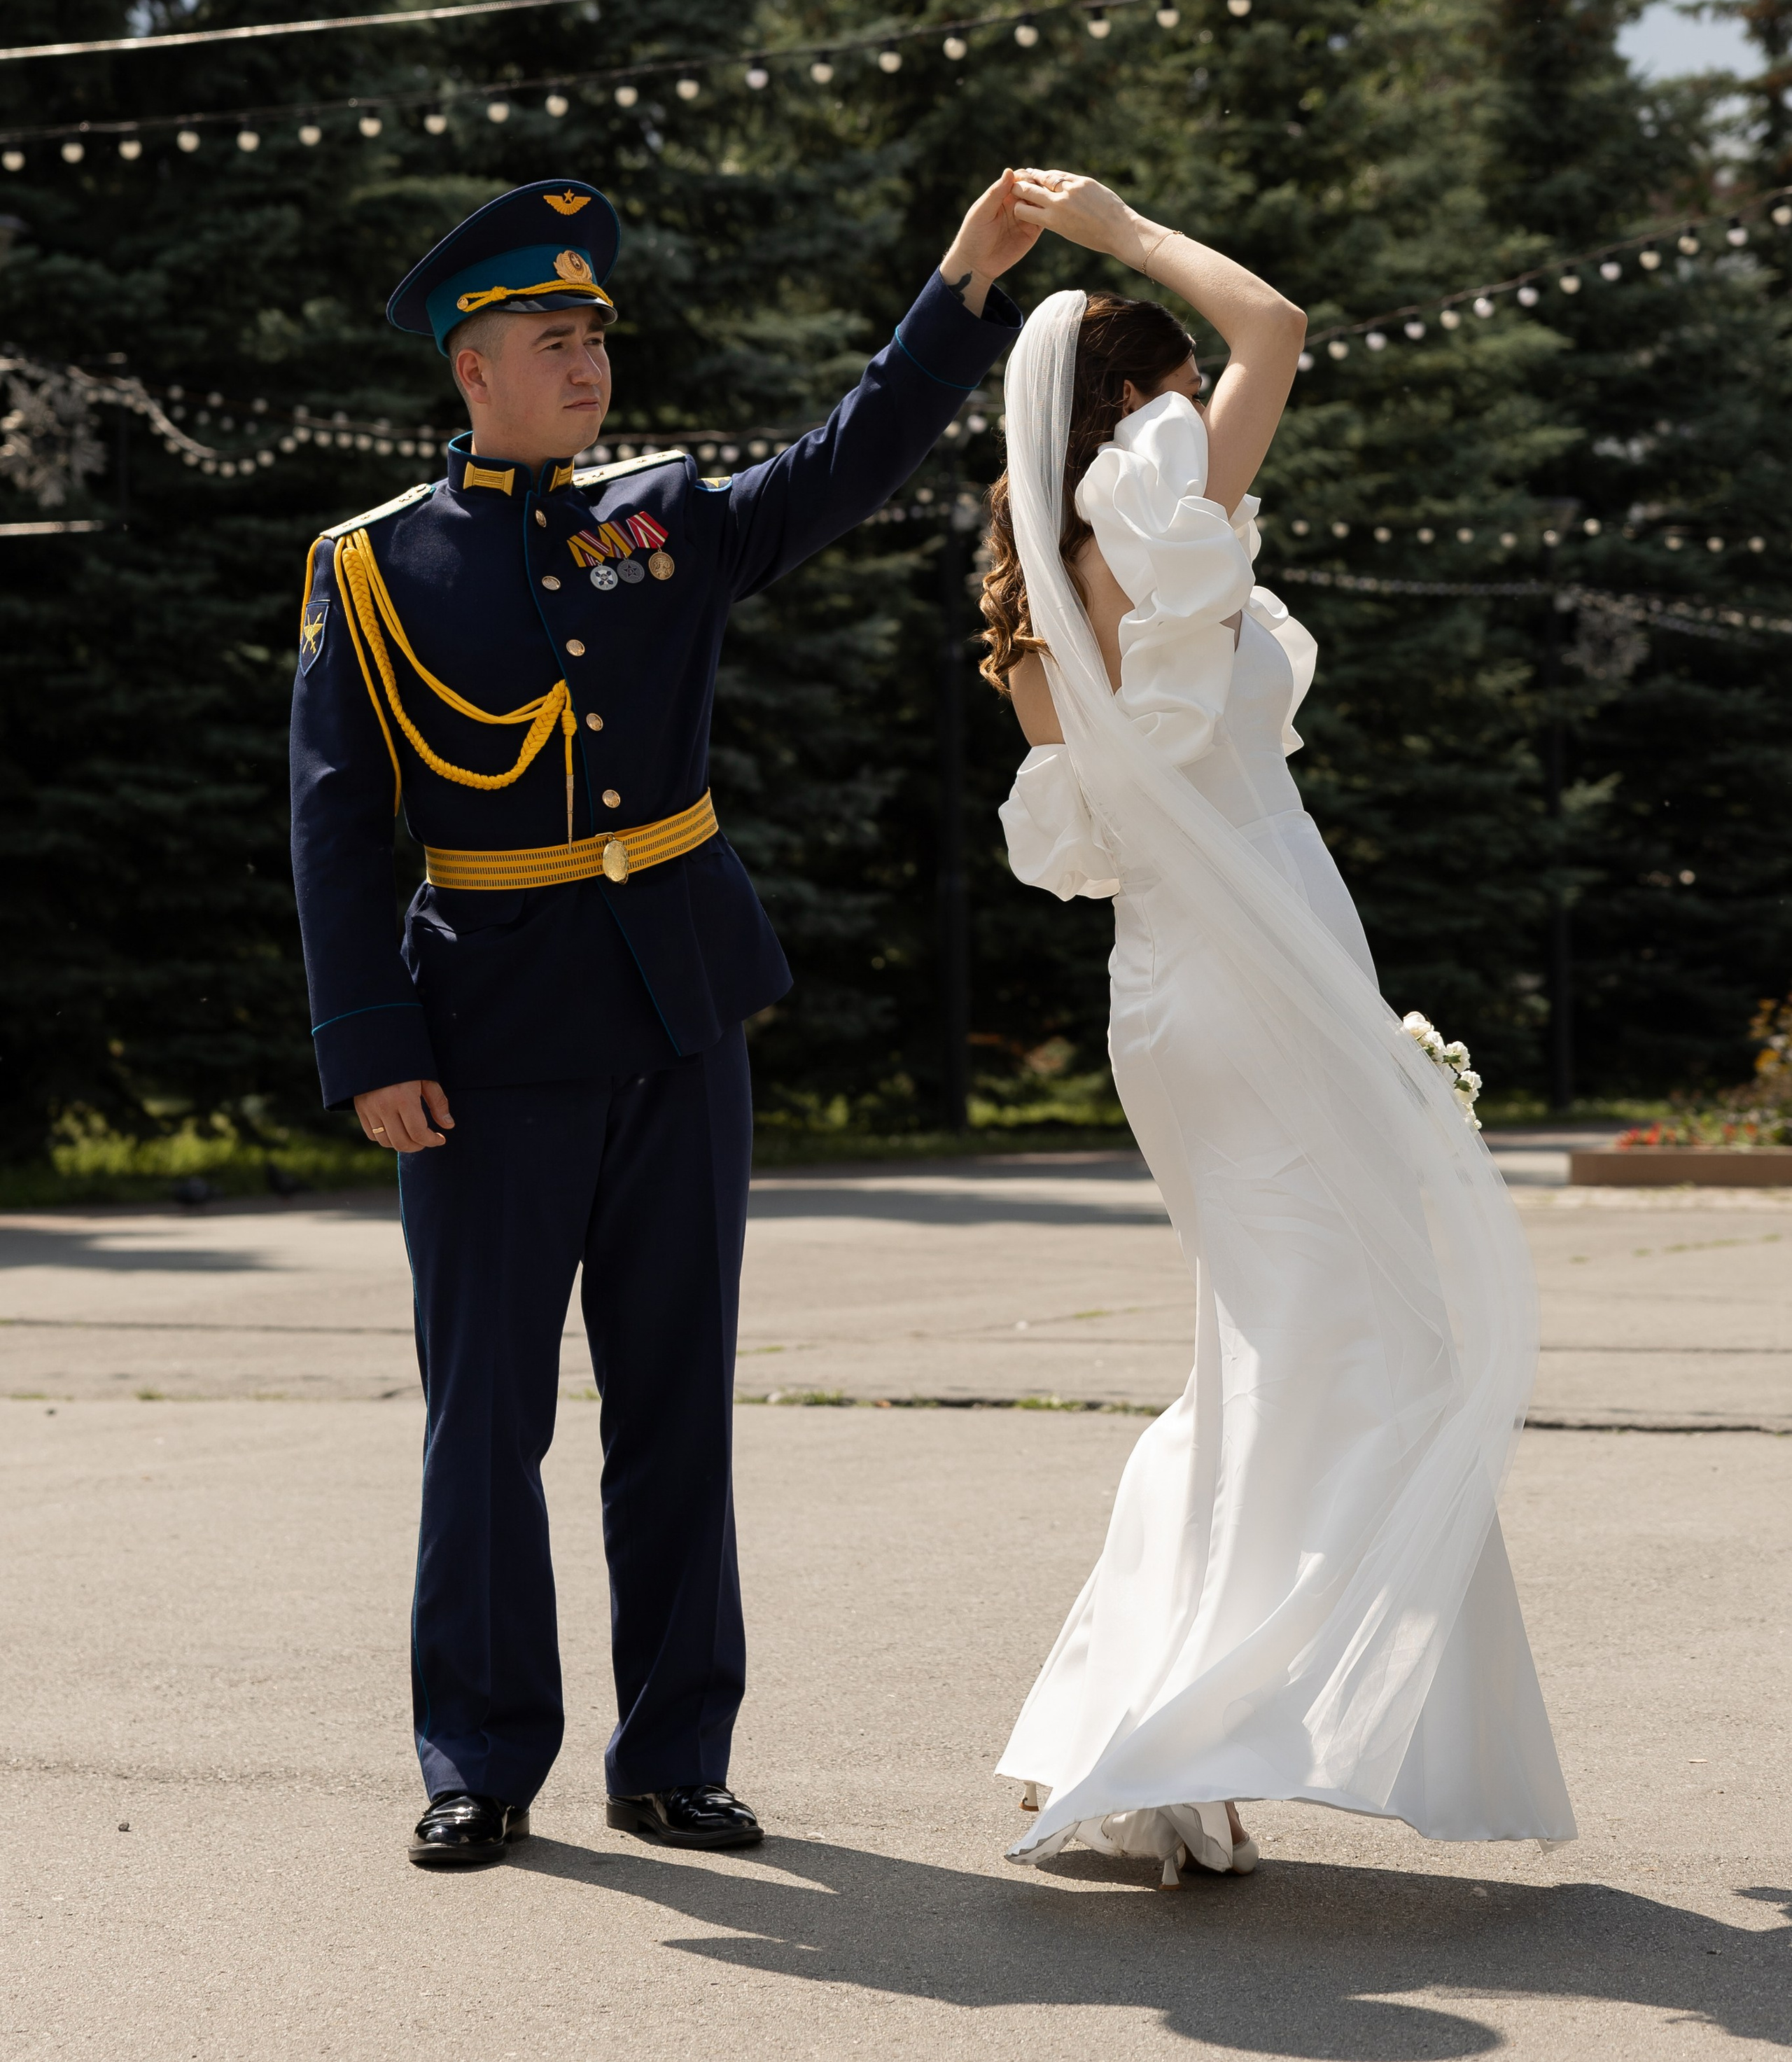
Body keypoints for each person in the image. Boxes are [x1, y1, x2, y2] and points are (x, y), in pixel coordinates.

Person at [290, 172, 1032, 1867]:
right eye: (551, 341)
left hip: (680, 1011)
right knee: (488, 1413)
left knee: (677, 1400)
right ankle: (476, 1756)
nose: (586, 368)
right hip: (480, 1037)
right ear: (469, 368)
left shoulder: (667, 516)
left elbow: (846, 461)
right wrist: (373, 1042)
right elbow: (336, 822)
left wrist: (960, 290)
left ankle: (672, 1751)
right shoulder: (374, 568)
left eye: (593, 340)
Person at [979, 169, 1575, 1885]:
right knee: (1367, 1351)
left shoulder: (1034, 603)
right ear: (1131, 402)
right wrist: (1118, 232)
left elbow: (1083, 844)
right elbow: (1278, 325)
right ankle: (1176, 1726)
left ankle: (1138, 1727)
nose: (1198, 411)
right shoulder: (1153, 504)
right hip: (1259, 974)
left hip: (1169, 997)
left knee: (1264, 1360)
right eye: (1168, 387)